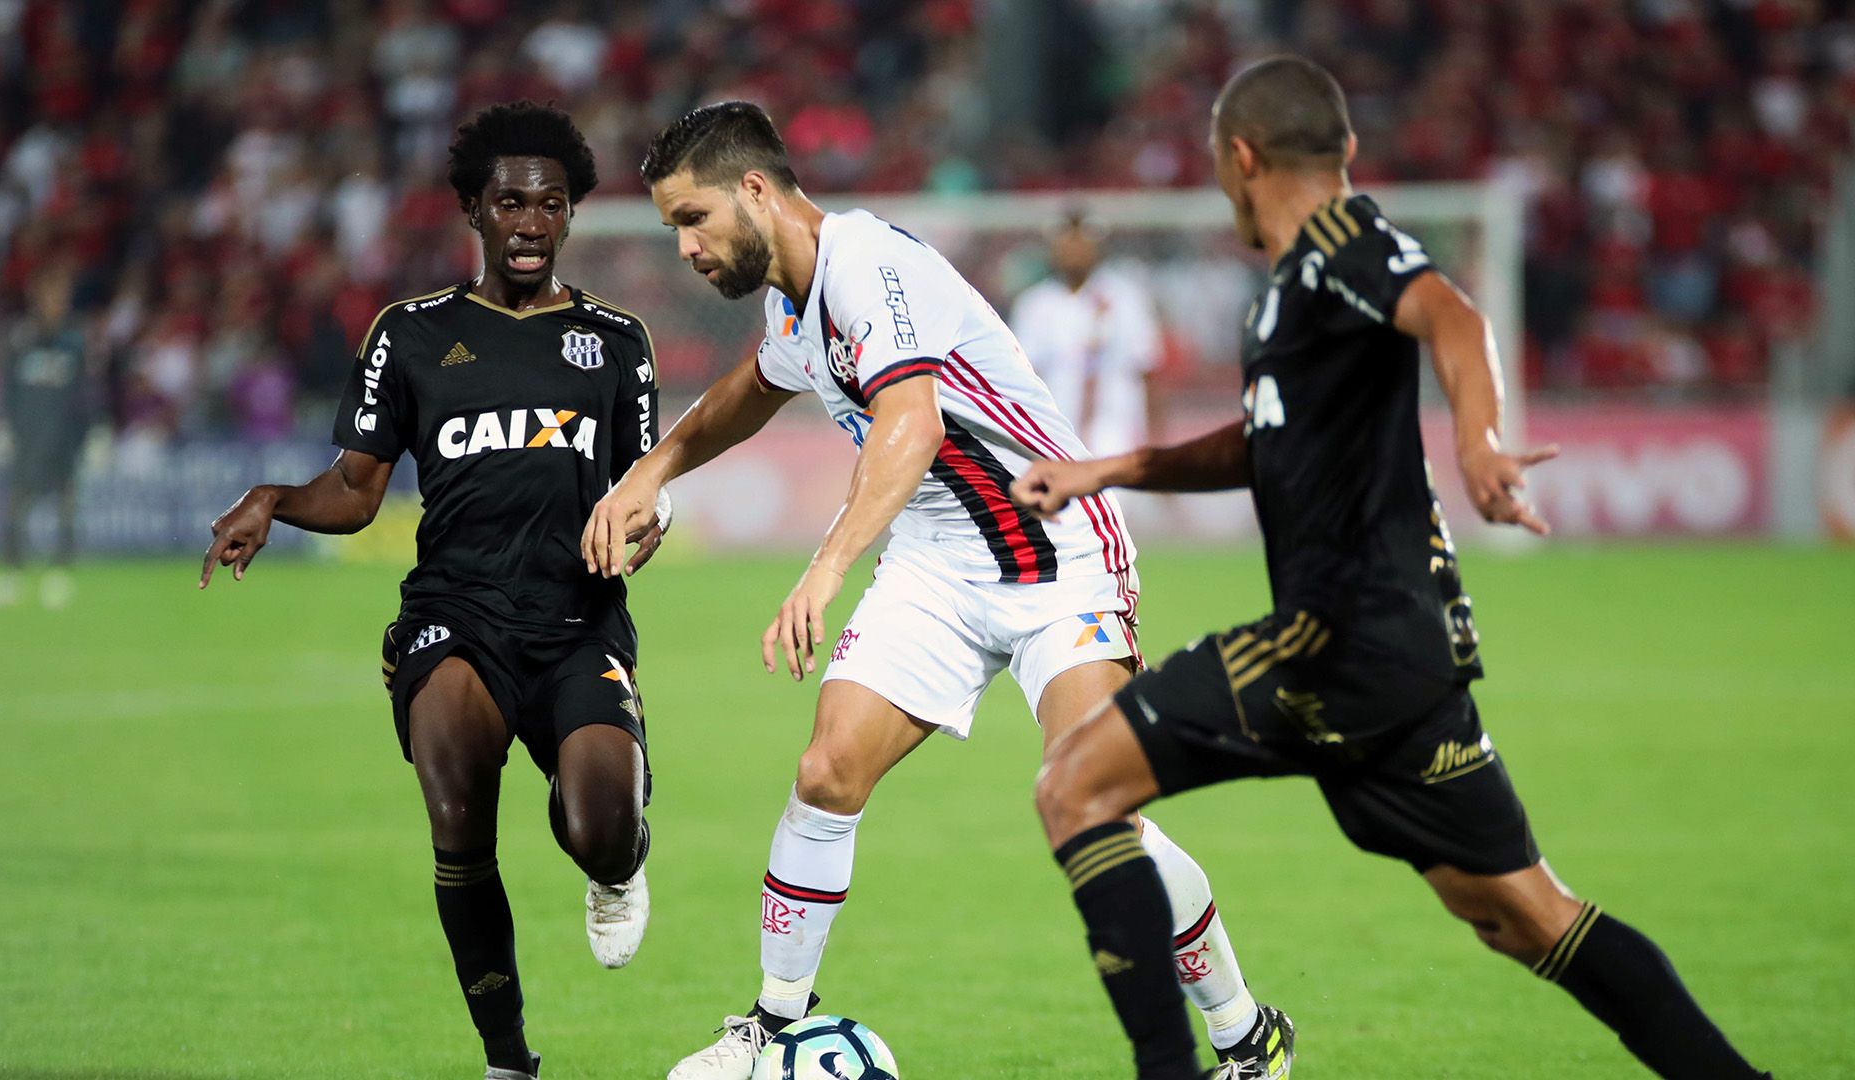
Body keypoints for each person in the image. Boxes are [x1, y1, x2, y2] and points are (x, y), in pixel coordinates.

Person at [1016, 57, 1772, 1080]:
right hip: (1406, 657)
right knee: (1522, 916)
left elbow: (1454, 315)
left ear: (1240, 158)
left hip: (1335, 640)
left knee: (1074, 787)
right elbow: (1259, 445)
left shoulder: (1337, 243)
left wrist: (1478, 441)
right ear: (1348, 147)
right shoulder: (1291, 292)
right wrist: (1112, 467)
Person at [586, 101, 1293, 1080]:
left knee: (1095, 801)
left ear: (754, 190)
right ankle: (774, 1028)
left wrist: (826, 567)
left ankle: (1245, 1034)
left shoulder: (869, 266)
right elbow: (749, 390)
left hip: (1053, 554)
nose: (685, 248)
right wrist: (649, 473)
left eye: (691, 218)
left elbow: (910, 425)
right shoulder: (794, 300)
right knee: (828, 771)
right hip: (934, 563)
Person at [200, 102, 666, 1080]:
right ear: (475, 212)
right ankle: (508, 1061)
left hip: (579, 620)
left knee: (595, 828)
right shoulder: (411, 336)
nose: (532, 222)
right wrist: (275, 500)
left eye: (550, 204)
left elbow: (639, 494)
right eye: (510, 203)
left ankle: (619, 863)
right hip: (454, 613)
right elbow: (358, 492)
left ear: (572, 213)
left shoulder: (618, 341)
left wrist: (641, 525)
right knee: (458, 815)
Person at [1010, 209, 1164, 457]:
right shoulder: (1035, 304)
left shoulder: (1126, 298)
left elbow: (1148, 370)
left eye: (1082, 241)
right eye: (1066, 242)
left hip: (1117, 434)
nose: (1074, 250)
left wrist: (1157, 446)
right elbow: (1022, 379)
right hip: (1056, 434)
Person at [0, 263, 92, 610]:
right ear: (37, 298)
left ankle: (59, 574)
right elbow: (8, 388)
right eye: (50, 295)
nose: (55, 302)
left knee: (66, 502)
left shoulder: (74, 343)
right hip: (28, 434)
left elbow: (87, 392)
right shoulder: (21, 340)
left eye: (61, 296)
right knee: (18, 501)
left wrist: (96, 429)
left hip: (64, 435)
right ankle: (11, 573)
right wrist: (0, 424)